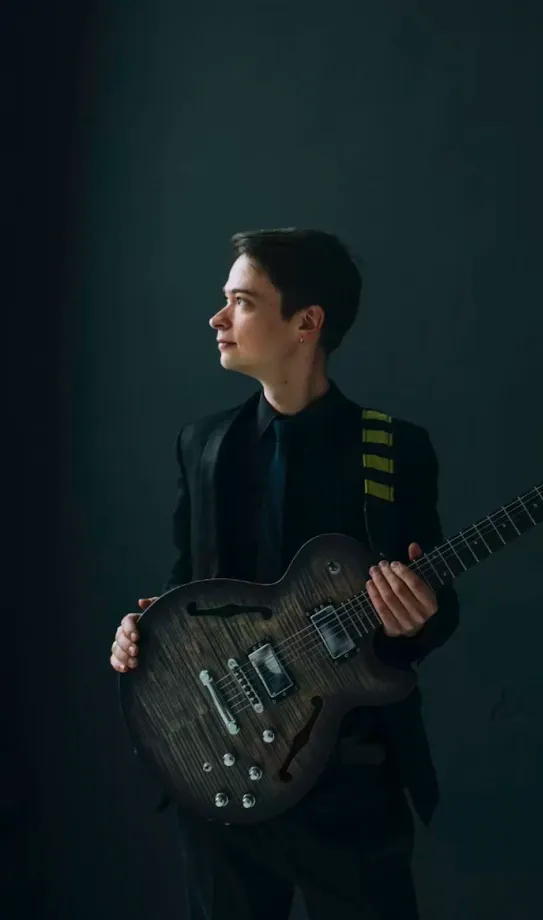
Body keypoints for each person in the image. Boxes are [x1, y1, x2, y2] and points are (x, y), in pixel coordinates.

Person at [109, 228, 460, 920]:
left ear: (307, 322)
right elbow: (185, 590)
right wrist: (139, 631)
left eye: (242, 302)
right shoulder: (203, 445)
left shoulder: (393, 448)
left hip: (350, 782)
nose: (218, 318)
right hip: (223, 780)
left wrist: (417, 618)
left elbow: (437, 605)